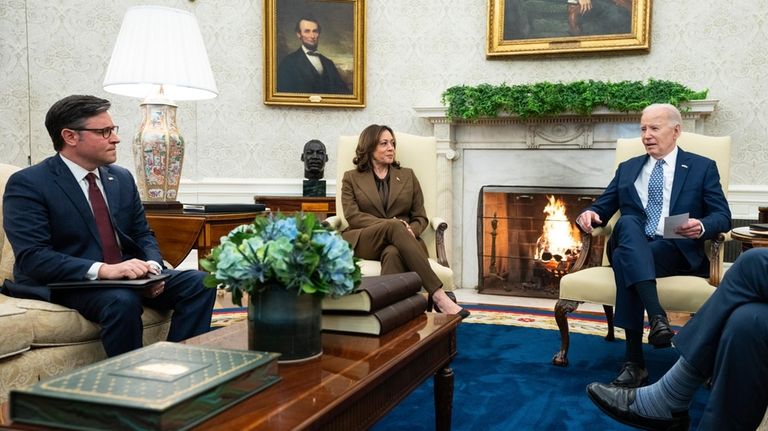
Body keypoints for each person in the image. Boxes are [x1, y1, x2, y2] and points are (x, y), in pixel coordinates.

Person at [2, 95, 216, 357]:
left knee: (200, 282)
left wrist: (152, 268)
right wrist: (105, 270)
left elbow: (142, 233)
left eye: (113, 130)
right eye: (104, 132)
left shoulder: (122, 178)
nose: (115, 139)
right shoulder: (29, 183)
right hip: (69, 281)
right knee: (121, 300)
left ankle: (177, 364)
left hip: (127, 276)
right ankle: (132, 386)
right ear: (70, 136)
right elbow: (34, 257)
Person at [575, 103, 731, 387]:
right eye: (643, 129)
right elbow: (603, 207)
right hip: (634, 237)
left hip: (675, 246)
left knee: (626, 258)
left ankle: (635, 363)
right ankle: (658, 318)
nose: (646, 135)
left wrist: (702, 225)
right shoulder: (628, 168)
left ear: (676, 131)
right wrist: (590, 214)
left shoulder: (701, 167)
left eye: (654, 128)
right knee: (629, 223)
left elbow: (722, 216)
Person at [587, 247, 768, 431]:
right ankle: (654, 336)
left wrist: (700, 226)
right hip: (646, 248)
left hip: (680, 254)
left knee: (751, 262)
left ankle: (668, 395)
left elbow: (721, 218)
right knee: (746, 323)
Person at [340, 124, 469, 318]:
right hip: (365, 240)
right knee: (394, 225)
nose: (391, 147)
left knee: (393, 253)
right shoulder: (351, 178)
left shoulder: (407, 176)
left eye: (392, 143)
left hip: (405, 241)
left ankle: (386, 316)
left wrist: (411, 231)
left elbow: (420, 217)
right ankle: (439, 296)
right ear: (369, 146)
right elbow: (353, 216)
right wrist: (390, 226)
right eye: (384, 143)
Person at [277, 17, 350, 94]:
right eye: (307, 31)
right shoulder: (288, 62)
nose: (312, 36)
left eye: (315, 31)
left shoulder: (329, 63)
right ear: (299, 34)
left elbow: (343, 92)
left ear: (318, 34)